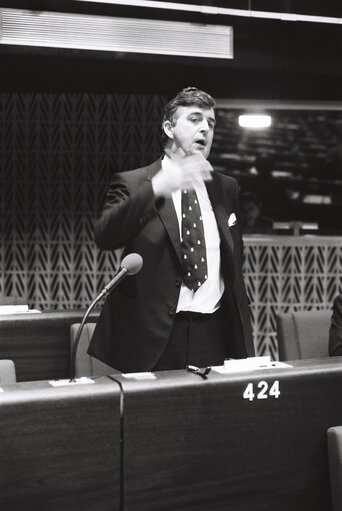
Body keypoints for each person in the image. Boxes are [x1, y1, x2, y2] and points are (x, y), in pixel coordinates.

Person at [88, 87, 255, 372]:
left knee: (212, 416)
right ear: (168, 127)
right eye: (194, 119)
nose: (205, 128)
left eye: (211, 123)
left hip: (213, 332)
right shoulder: (134, 183)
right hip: (154, 337)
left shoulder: (226, 187)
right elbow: (106, 235)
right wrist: (159, 188)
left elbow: (233, 264)